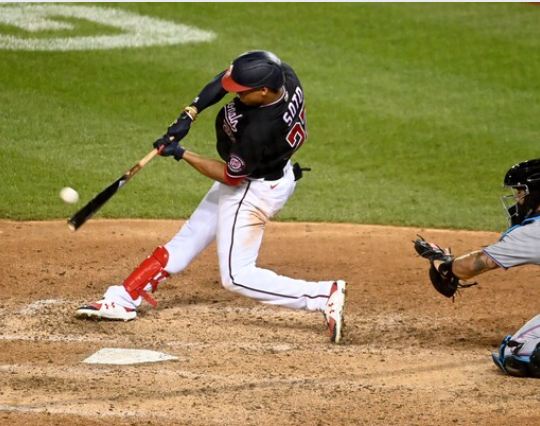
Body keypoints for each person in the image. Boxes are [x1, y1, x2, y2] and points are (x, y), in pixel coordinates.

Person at [76, 51, 347, 343]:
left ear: (264, 91)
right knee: (190, 236)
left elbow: (231, 176)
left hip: (252, 190)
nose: (236, 94)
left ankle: (322, 294)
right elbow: (227, 79)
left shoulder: (262, 130)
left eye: (243, 92)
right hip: (265, 176)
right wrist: (189, 113)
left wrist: (181, 153)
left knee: (236, 276)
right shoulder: (284, 77)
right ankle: (124, 297)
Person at [415, 157, 540, 385]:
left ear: (535, 192)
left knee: (515, 351)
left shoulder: (536, 230)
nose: (517, 198)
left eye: (520, 191)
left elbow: (472, 266)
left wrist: (444, 265)